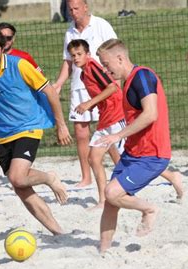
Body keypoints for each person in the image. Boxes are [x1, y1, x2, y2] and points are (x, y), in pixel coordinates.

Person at [0, 26, 73, 235]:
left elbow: (50, 91)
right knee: (21, 188)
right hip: (3, 132)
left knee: (17, 177)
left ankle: (49, 177)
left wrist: (61, 125)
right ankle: (58, 232)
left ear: (2, 48)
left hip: (29, 127)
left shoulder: (20, 65)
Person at [95, 39, 173, 253]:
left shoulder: (142, 76)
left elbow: (151, 114)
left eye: (106, 63)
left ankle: (149, 209)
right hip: (134, 152)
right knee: (111, 202)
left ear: (120, 58)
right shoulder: (127, 81)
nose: (105, 69)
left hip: (152, 155)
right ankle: (103, 251)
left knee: (111, 193)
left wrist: (117, 135)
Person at [53, 0, 118, 187]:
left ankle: (119, 170)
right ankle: (86, 177)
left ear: (85, 7)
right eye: (70, 9)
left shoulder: (101, 24)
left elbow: (115, 49)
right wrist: (58, 84)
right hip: (79, 87)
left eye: (76, 8)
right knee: (81, 134)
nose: (73, 12)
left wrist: (116, 77)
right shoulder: (69, 31)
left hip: (101, 87)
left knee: (108, 131)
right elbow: (68, 62)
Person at [0, 22, 43, 194]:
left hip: (21, 121)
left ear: (12, 39)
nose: (5, 41)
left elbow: (41, 82)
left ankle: (42, 178)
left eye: (8, 37)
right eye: (2, 37)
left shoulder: (22, 59)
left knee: (17, 175)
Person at [67, 39, 125, 210]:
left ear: (88, 54)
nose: (76, 58)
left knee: (131, 159)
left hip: (116, 115)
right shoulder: (84, 73)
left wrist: (88, 103)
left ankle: (172, 177)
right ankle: (103, 200)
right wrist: (91, 104)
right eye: (73, 56)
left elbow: (113, 87)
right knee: (94, 158)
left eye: (79, 54)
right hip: (106, 117)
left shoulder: (92, 67)